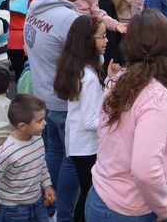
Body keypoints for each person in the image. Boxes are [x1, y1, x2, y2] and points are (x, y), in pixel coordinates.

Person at [87, 9, 167, 221]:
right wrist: (164, 207)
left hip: (100, 196)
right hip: (129, 209)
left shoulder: (118, 80)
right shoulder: (156, 97)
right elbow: (144, 170)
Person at [24, 0, 82, 222]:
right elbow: (89, 60)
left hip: (44, 97)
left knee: (54, 152)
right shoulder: (68, 19)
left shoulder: (35, 8)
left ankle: (51, 207)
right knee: (72, 158)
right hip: (66, 101)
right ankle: (65, 214)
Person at [54, 15, 118, 222]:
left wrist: (108, 78)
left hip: (78, 143)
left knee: (85, 192)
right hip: (87, 147)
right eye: (102, 37)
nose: (106, 41)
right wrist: (116, 121)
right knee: (89, 194)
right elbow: (90, 121)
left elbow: (89, 105)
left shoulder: (81, 68)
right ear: (88, 41)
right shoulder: (88, 76)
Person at [0, 94, 56, 221]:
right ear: (23, 126)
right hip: (14, 210)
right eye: (40, 121)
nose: (45, 123)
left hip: (37, 202)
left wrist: (47, 185)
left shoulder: (39, 140)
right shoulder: (6, 153)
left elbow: (41, 164)